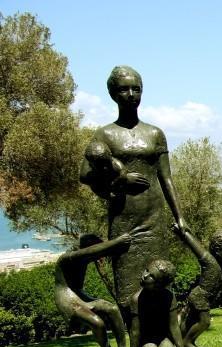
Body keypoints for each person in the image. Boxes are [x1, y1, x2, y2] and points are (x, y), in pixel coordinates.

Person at [80, 66, 189, 330]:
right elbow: (86, 175)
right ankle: (135, 346)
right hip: (124, 220)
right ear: (112, 94)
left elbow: (167, 179)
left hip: (154, 219)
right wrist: (119, 181)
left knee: (160, 279)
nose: (131, 94)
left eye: (136, 89)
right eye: (123, 89)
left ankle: (164, 338)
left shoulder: (155, 134)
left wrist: (180, 217)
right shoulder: (105, 135)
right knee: (128, 283)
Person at [54, 227, 147, 347]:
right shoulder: (67, 258)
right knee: (97, 323)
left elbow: (98, 252)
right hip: (66, 299)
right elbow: (91, 252)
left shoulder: (85, 257)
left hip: (79, 294)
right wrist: (117, 241)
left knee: (112, 309)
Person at [122, 259, 187, 347]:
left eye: (151, 276)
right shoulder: (137, 299)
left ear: (159, 284)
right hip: (146, 339)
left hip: (163, 337)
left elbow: (174, 326)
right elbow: (135, 331)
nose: (145, 275)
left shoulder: (169, 297)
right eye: (146, 270)